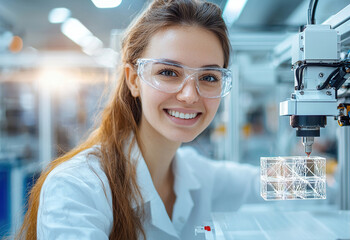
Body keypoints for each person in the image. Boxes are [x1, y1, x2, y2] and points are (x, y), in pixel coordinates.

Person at [16, 0, 261, 239]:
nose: (189, 95)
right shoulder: (77, 187)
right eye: (168, 72)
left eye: (209, 77)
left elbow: (270, 183)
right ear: (133, 80)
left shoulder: (197, 173)